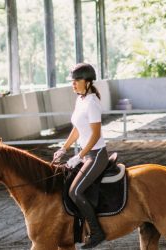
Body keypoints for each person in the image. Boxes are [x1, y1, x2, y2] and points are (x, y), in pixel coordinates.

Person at [51, 63, 107, 249]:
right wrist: (64, 148)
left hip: (96, 155)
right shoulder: (80, 100)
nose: (73, 84)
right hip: (85, 155)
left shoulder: (92, 103)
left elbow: (95, 134)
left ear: (88, 82)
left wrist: (79, 155)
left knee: (75, 191)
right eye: (72, 81)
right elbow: (77, 129)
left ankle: (97, 232)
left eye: (77, 81)